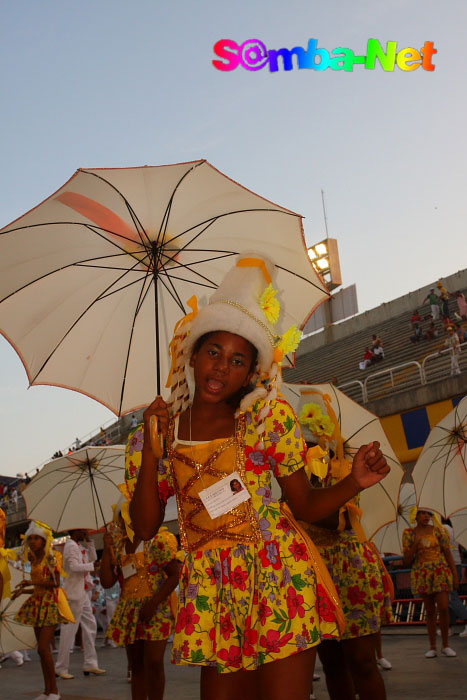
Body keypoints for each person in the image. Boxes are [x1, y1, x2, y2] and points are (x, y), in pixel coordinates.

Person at [128, 254, 390, 700]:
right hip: (214, 589)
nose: (220, 368)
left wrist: (353, 483)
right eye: (213, 352)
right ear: (192, 355)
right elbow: (146, 527)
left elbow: (304, 505)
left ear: (250, 373)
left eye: (236, 361)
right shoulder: (158, 435)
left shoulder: (267, 421)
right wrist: (153, 453)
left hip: (278, 573)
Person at [297, 393, 393, 700]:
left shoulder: (345, 467)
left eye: (314, 431)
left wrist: (296, 500)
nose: (310, 439)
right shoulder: (294, 470)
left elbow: (333, 521)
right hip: (313, 568)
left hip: (348, 567)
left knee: (362, 661)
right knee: (332, 665)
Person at [100, 473, 180, 700]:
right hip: (129, 611)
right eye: (124, 518)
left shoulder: (156, 540)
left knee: (154, 663)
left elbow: (175, 574)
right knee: (136, 665)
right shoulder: (118, 545)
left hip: (155, 608)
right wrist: (106, 551)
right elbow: (107, 582)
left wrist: (153, 603)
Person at [13, 521, 75, 700]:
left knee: (43, 648)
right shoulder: (33, 560)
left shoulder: (51, 557)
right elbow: (39, 587)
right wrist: (22, 591)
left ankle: (55, 690)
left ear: (44, 541)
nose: (32, 542)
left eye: (36, 538)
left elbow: (56, 583)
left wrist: (31, 583)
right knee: (42, 650)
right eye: (30, 538)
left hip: (51, 603)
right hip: (38, 603)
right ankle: (47, 690)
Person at [402, 509, 458, 658]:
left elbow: (448, 553)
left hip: (440, 571)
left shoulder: (439, 531)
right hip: (422, 573)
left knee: (444, 607)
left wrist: (455, 574)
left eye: (429, 513)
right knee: (430, 611)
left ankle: (445, 645)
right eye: (423, 513)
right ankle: (432, 646)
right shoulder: (409, 533)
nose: (426, 516)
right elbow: (406, 561)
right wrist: (415, 543)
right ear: (416, 515)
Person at [55, 530, 105, 679]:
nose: (85, 531)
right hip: (74, 592)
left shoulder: (78, 545)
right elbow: (74, 567)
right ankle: (61, 667)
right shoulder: (71, 546)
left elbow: (92, 558)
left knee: (90, 626)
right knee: (69, 629)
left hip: (82, 592)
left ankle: (91, 663)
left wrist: (90, 543)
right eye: (82, 530)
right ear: (75, 531)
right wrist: (92, 566)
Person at [440, 518, 467, 636]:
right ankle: (448, 627)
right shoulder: (454, 530)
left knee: (451, 597)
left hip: (448, 566)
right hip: (458, 564)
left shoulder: (442, 529)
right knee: (449, 597)